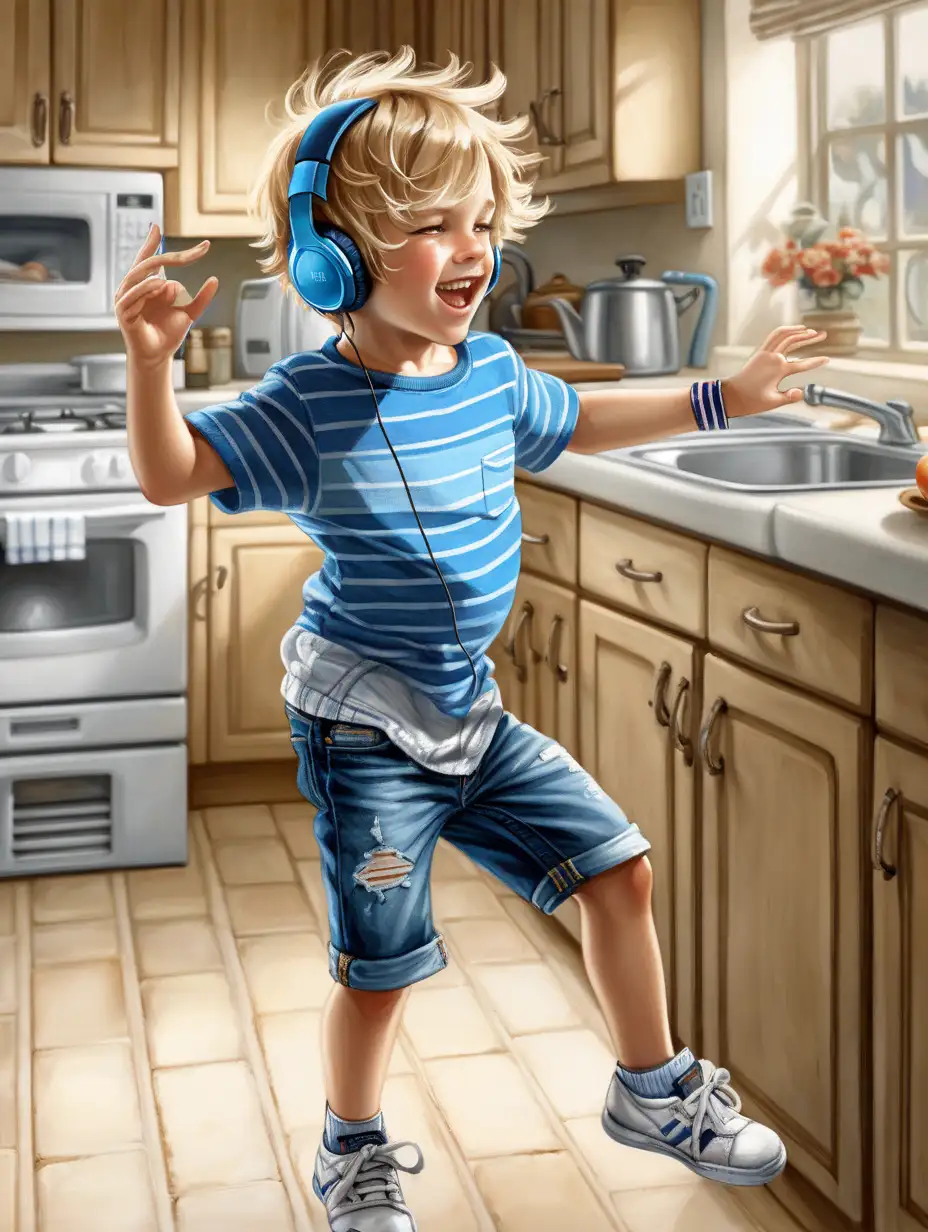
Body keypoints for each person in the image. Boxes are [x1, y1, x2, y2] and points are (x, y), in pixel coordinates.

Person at [115, 45, 828, 1232]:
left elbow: (584, 415)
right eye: (434, 225)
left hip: (469, 708)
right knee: (382, 964)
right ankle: (353, 1147)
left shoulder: (490, 369)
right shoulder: (306, 400)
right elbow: (168, 474)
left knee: (619, 868)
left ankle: (650, 1088)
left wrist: (724, 397)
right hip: (363, 725)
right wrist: (148, 368)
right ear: (336, 252)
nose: (473, 248)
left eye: (481, 220)